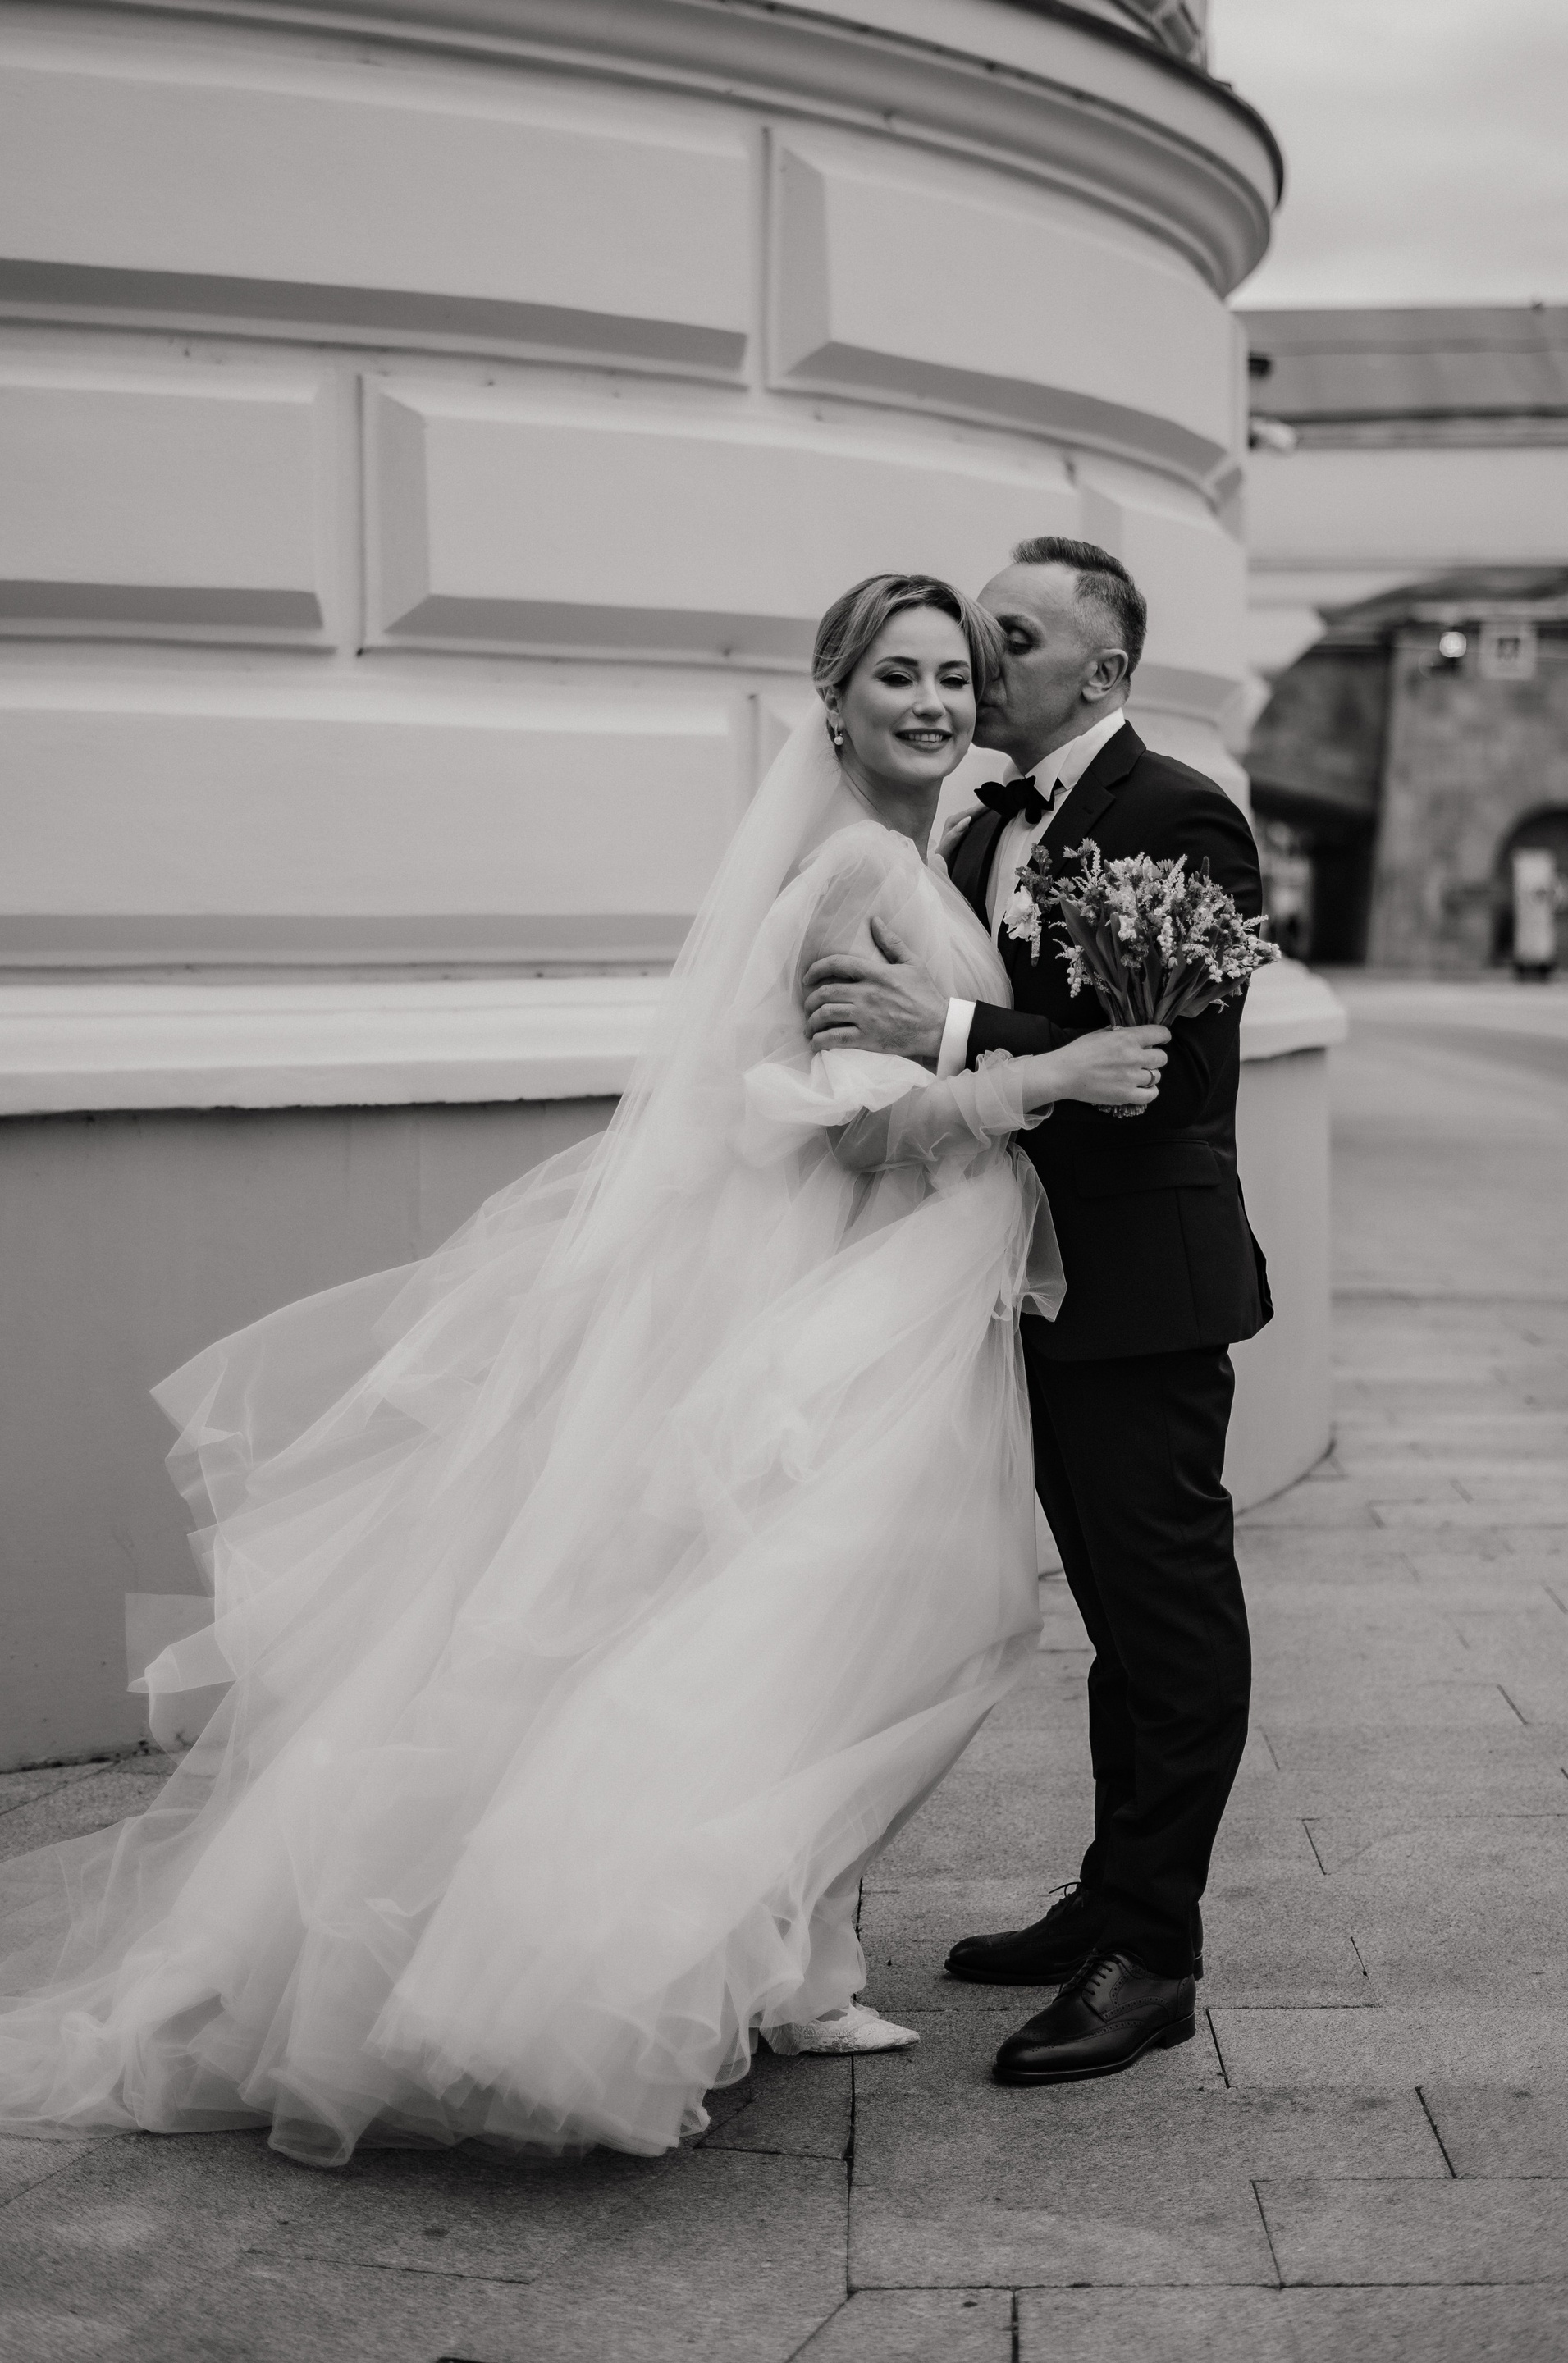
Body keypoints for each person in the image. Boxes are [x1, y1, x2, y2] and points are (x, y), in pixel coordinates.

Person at [0, 574, 1168, 2164]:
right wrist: (1052, 1075)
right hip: (835, 1313)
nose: (937, 703)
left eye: (955, 676)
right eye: (898, 676)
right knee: (812, 1632)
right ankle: (624, 1965)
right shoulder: (855, 868)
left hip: (890, 1307)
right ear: (831, 704)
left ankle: (791, 1966)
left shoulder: (927, 853)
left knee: (837, 1632)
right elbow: (858, 1130)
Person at [803, 538, 1271, 2086]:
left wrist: (945, 1027)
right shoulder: (981, 825)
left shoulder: (1177, 811)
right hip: (1023, 1281)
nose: (979, 660)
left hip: (1141, 1288)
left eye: (1007, 637)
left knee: (1169, 1618)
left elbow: (1174, 1078)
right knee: (1119, 1631)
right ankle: (1107, 1899)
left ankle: (1156, 1955)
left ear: (1104, 669)